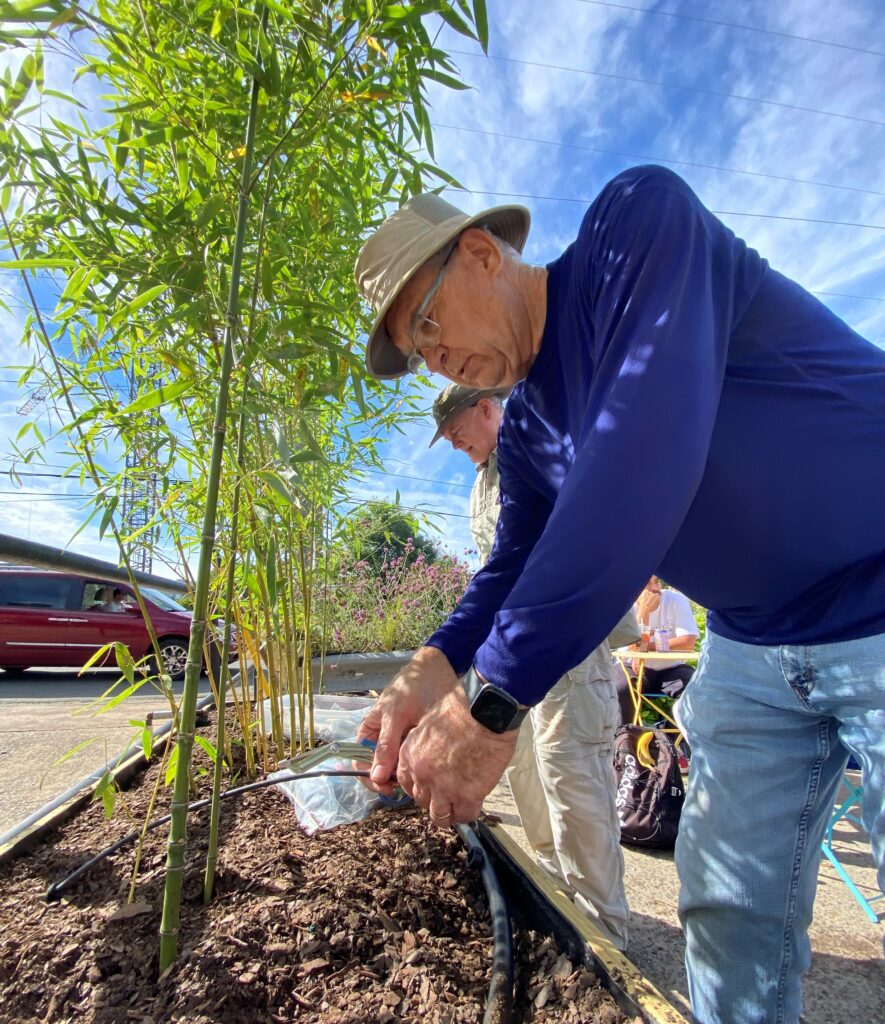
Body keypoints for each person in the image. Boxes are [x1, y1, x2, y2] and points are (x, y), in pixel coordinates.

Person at [352, 166, 885, 1024]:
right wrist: (430, 669)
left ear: (482, 253)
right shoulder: (523, 429)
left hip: (876, 597)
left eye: (426, 321)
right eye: (418, 353)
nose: (432, 358)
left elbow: (640, 453)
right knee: (727, 910)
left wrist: (489, 705)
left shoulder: (633, 233)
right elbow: (508, 571)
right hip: (750, 643)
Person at [431, 382, 638, 949]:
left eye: (455, 431)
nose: (453, 444)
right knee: (523, 771)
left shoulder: (543, 444)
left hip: (565, 644)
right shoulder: (481, 485)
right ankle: (555, 899)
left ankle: (603, 931)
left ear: (484, 408)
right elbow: (493, 572)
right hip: (510, 651)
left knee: (570, 774)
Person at [615, 575, 699, 725]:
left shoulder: (676, 600)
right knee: (621, 688)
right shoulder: (626, 603)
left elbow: (687, 642)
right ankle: (626, 740)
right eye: (647, 584)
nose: (654, 588)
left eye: (657, 582)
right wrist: (644, 612)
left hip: (672, 668)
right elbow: (634, 647)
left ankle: (675, 740)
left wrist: (649, 647)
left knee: (696, 688)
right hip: (634, 668)